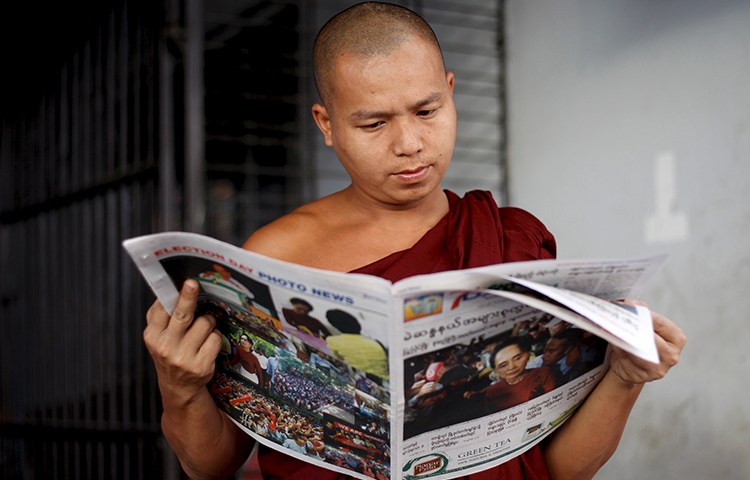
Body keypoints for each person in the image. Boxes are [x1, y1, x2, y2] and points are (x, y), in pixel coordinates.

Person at [142, 3, 686, 480]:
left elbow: (559, 468)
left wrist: (623, 376)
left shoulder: (513, 239)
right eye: (373, 124)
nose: (409, 144)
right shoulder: (275, 256)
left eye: (427, 111)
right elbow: (209, 464)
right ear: (326, 125)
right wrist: (181, 385)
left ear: (450, 94)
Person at [465, 337, 556, 414]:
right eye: (503, 365)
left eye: (517, 358)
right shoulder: (492, 392)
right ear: (496, 370)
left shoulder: (543, 373)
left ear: (527, 355)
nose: (512, 367)